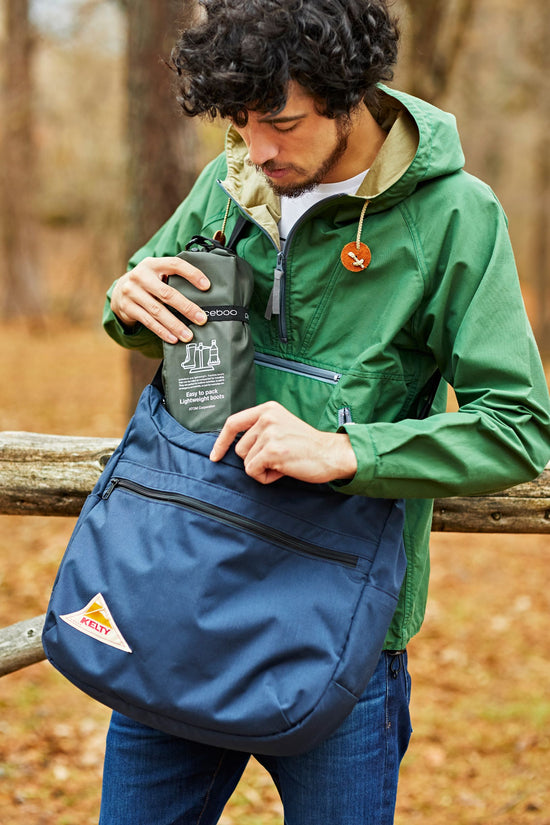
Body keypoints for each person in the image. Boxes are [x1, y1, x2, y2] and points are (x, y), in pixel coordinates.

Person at [100, 1, 550, 822]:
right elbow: (156, 311)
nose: (257, 148)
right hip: (184, 596)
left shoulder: (455, 217)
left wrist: (351, 451)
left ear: (351, 92)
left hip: (338, 625)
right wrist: (130, 297)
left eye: (281, 121)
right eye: (238, 122)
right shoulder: (229, 183)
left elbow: (518, 424)